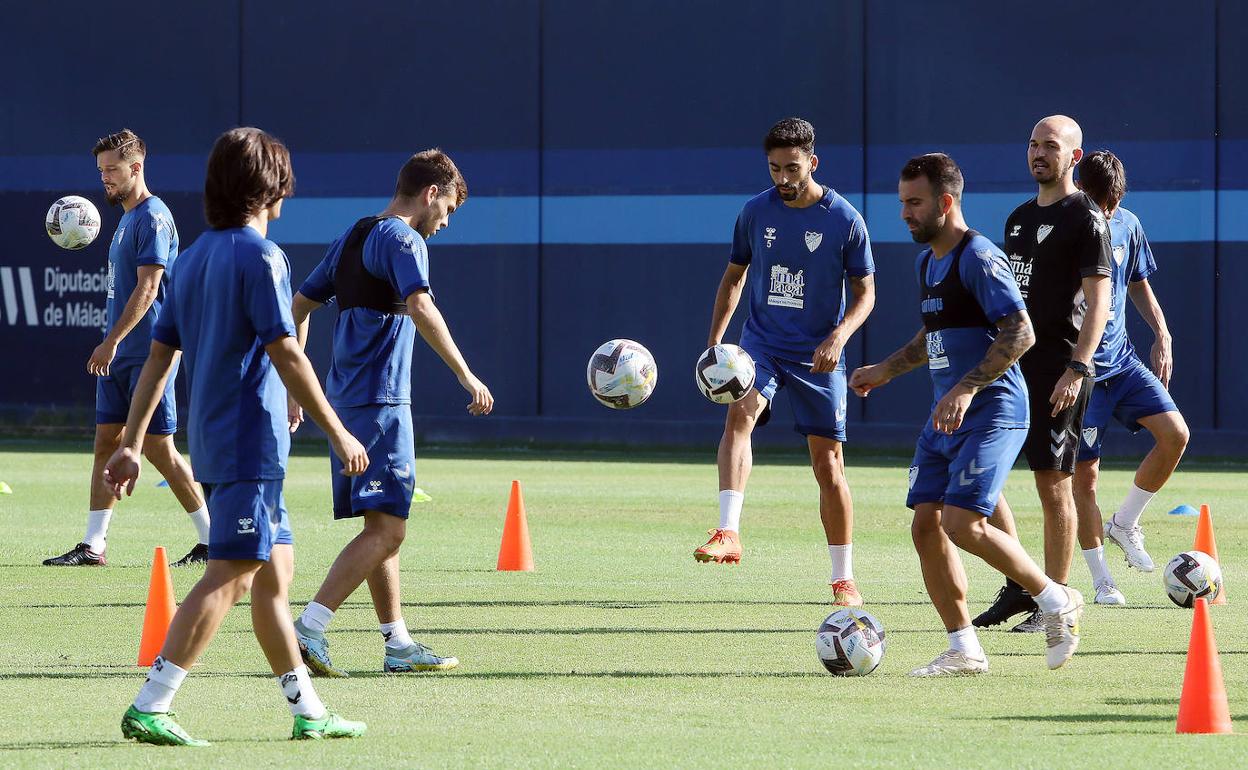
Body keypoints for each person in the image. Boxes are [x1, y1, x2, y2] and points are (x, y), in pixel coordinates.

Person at [104, 127, 370, 745]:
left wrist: (130, 442)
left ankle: (308, 711)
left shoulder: (192, 257)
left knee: (273, 578)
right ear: (268, 188)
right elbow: (287, 352)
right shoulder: (261, 257)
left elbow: (157, 359)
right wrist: (338, 432)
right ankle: (152, 702)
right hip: (249, 442)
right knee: (229, 573)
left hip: (219, 441)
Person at [850, 153, 1083, 675]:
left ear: (946, 202)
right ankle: (964, 648)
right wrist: (886, 369)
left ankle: (1055, 598)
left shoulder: (978, 257)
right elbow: (935, 336)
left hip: (993, 409)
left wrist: (965, 389)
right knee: (925, 527)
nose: (905, 213)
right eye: (902, 203)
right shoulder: (926, 261)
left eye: (915, 203)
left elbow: (1021, 332)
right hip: (946, 414)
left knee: (961, 522)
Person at [288, 149, 492, 677]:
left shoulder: (355, 234)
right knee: (391, 530)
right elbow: (421, 306)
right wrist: (466, 376)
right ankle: (309, 627)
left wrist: (297, 387)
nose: (445, 222)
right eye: (447, 209)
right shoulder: (404, 239)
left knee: (383, 524)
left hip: (346, 400)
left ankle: (396, 643)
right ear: (431, 193)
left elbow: (299, 307)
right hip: (380, 404)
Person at [696, 117, 875, 606]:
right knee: (741, 413)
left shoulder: (844, 220)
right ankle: (728, 530)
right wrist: (717, 345)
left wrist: (839, 336)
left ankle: (843, 577)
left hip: (819, 355)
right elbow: (734, 278)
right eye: (774, 168)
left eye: (792, 168)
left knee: (828, 464)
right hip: (763, 345)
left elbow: (866, 294)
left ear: (812, 162)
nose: (783, 178)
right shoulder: (755, 212)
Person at [44, 129, 209, 568]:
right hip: (121, 357)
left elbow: (150, 287)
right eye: (101, 172)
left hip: (149, 353)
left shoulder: (153, 216)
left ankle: (213, 538)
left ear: (136, 167)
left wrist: (111, 341)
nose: (105, 180)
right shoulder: (125, 219)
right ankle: (93, 544)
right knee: (105, 443)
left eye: (112, 170)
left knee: (158, 448)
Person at [973, 116, 1112, 632]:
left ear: (1074, 156)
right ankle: (1019, 584)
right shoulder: (1016, 219)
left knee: (1054, 486)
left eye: (1050, 146)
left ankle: (1057, 601)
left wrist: (1077, 367)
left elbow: (1098, 304)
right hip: (1012, 366)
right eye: (1033, 143)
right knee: (979, 471)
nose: (1038, 153)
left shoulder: (1086, 218)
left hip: (1060, 368)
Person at [1070, 150, 1189, 603]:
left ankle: (1124, 523)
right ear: (1082, 191)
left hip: (1122, 361)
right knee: (1085, 478)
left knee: (1176, 434)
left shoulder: (1127, 224)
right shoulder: (1065, 230)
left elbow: (1137, 280)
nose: (1109, 212)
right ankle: (1101, 580)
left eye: (1115, 203)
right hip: (1081, 373)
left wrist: (1162, 331)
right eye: (1102, 202)